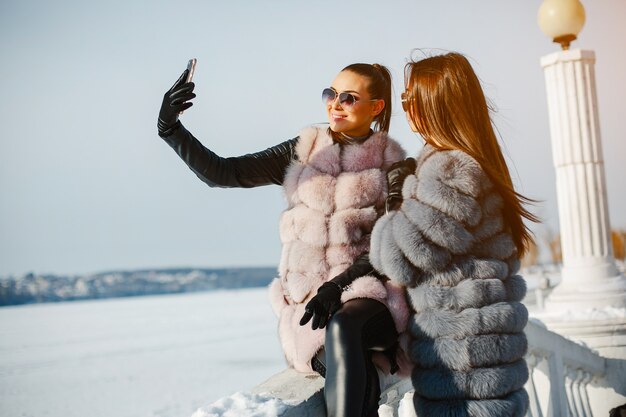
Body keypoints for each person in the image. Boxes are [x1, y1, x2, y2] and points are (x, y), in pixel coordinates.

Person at [156, 62, 410, 417]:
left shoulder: (395, 167)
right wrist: (171, 128)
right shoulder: (305, 151)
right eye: (330, 94)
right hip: (311, 303)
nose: (334, 105)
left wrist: (337, 287)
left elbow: (389, 246)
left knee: (345, 329)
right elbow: (226, 172)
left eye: (348, 98)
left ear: (376, 107)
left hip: (369, 292)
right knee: (338, 361)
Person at [368, 52, 538, 416]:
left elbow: (395, 257)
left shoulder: (448, 169)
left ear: (435, 103)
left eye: (410, 98)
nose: (405, 108)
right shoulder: (466, 161)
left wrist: (395, 200)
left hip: (464, 370)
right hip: (480, 361)